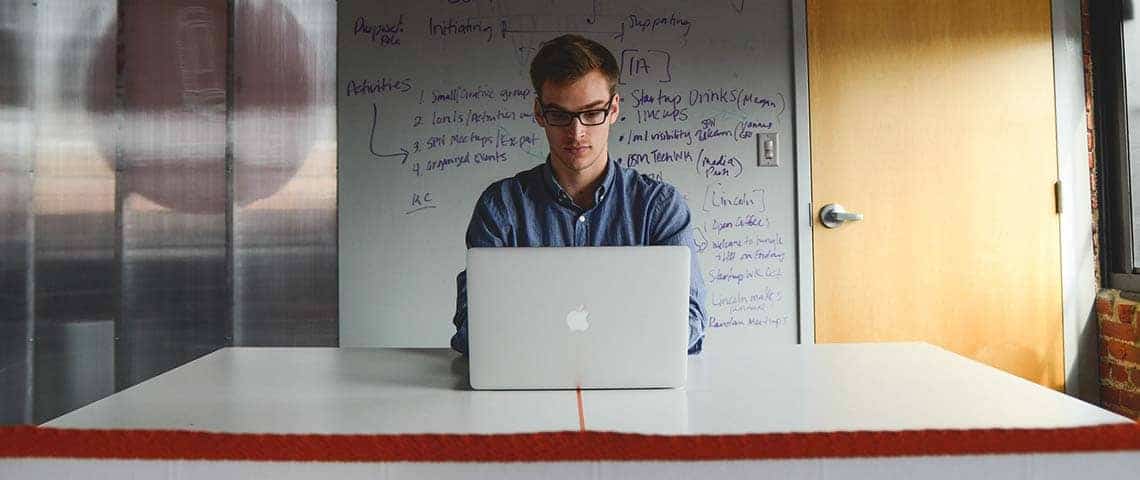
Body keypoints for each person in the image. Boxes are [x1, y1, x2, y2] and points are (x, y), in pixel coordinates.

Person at [450, 34, 708, 354]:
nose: (577, 132)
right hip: (525, 390)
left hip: (635, 389)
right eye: (560, 115)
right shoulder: (500, 207)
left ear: (613, 109)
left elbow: (691, 320)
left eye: (592, 112)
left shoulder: (660, 207)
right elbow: (471, 328)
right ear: (540, 113)